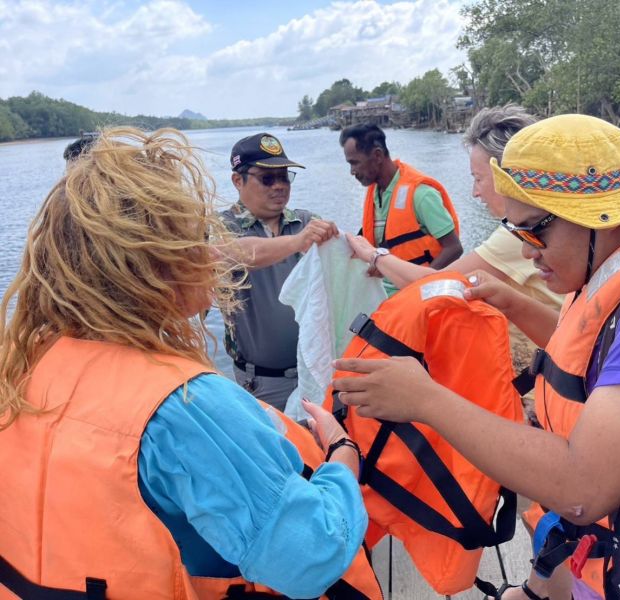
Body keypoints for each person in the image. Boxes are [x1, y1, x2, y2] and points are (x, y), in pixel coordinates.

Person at [331, 114, 620, 599]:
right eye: (516, 234)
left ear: (592, 216)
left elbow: (583, 489)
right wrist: (512, 301)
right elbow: (595, 360)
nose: (527, 253)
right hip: (615, 549)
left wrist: (425, 401)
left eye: (533, 232)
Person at [0, 128, 371, 599]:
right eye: (195, 238)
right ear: (155, 263)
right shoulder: (183, 406)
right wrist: (341, 454)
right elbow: (311, 555)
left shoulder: (23, 365)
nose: (209, 256)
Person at [345, 105, 562, 383]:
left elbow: (437, 282)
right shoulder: (547, 223)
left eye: (478, 178)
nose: (475, 192)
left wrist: (373, 255)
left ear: (507, 178)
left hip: (541, 383)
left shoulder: (518, 236)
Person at [222, 132, 338, 411]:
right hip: (261, 384)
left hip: (318, 373)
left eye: (284, 177)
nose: (279, 186)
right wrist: (296, 243)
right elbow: (238, 253)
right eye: (267, 178)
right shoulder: (221, 228)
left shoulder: (307, 222)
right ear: (238, 181)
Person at [339, 122, 463, 295]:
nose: (352, 171)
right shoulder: (375, 193)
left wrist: (419, 286)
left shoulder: (421, 195)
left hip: (419, 296)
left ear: (377, 156)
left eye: (355, 163)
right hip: (384, 295)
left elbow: (454, 248)